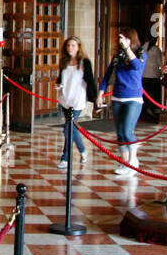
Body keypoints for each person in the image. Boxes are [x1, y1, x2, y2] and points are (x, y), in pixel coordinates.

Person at [100, 27, 145, 176]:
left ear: (131, 40)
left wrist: (127, 49)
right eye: (120, 39)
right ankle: (124, 163)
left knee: (127, 130)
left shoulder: (141, 54)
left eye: (124, 38)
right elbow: (108, 75)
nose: (121, 41)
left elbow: (137, 67)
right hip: (118, 97)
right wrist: (101, 93)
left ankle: (133, 161)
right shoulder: (117, 57)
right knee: (120, 133)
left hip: (133, 98)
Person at [57, 36, 95, 169]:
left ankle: (65, 158)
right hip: (66, 98)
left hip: (78, 98)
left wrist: (96, 99)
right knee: (72, 128)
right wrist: (58, 85)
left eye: (73, 45)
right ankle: (83, 150)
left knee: (68, 128)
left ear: (78, 47)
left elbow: (90, 80)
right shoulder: (64, 62)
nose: (70, 48)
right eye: (68, 45)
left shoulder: (85, 63)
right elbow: (61, 78)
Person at [142, 37, 163, 122]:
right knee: (153, 94)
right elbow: (160, 62)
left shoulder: (144, 47)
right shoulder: (156, 50)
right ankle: (152, 110)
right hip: (154, 75)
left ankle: (147, 110)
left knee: (146, 94)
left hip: (144, 74)